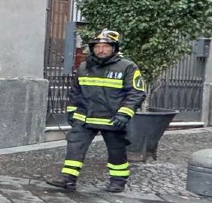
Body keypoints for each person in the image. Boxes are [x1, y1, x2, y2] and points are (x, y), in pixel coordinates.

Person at [46, 29, 145, 193]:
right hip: (85, 118)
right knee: (74, 146)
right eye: (97, 46)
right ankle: (68, 179)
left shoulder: (127, 67)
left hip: (113, 118)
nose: (101, 50)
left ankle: (118, 181)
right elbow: (75, 92)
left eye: (105, 46)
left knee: (116, 150)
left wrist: (124, 113)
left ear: (114, 48)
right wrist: (73, 112)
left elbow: (136, 92)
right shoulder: (85, 67)